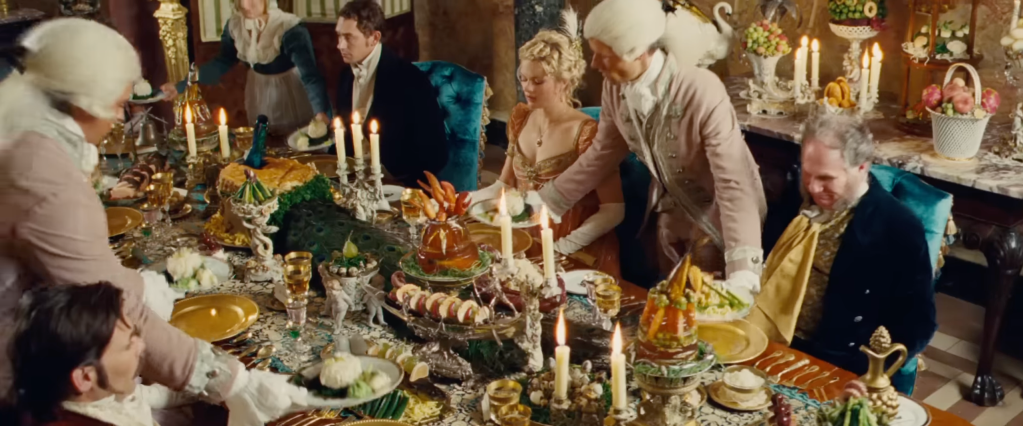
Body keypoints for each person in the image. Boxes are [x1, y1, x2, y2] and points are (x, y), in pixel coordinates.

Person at [0, 18, 308, 425]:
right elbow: (109, 306)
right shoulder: (39, 172)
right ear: (81, 104)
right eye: (115, 105)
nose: (118, 118)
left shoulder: (23, 123)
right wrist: (233, 382)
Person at [535, 0, 766, 294]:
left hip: (724, 215)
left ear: (637, 52)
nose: (594, 65)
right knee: (670, 304)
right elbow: (602, 154)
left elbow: (734, 184)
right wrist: (544, 201)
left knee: (713, 306)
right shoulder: (615, 87)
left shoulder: (701, 89)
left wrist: (744, 273)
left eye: (603, 56)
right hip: (671, 211)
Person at [749, 114, 936, 382]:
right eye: (808, 174)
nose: (813, 188)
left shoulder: (898, 227)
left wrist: (873, 375)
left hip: (838, 365)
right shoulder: (794, 197)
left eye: (826, 178)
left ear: (861, 167)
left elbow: (919, 323)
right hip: (767, 339)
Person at [474, 8, 624, 276]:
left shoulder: (586, 132)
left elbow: (614, 211)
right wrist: (466, 199)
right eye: (523, 79)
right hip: (524, 239)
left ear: (564, 82)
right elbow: (503, 186)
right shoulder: (521, 117)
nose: (527, 88)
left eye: (537, 81)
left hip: (579, 249)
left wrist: (562, 247)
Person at [10, 282, 194, 426]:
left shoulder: (89, 392)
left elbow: (142, 396)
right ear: (85, 378)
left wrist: (202, 387)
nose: (141, 346)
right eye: (129, 344)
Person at [161, 0, 330, 134]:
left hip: (289, 92)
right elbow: (223, 61)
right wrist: (181, 85)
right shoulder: (235, 25)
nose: (244, 5)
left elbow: (310, 76)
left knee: (293, 142)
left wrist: (321, 113)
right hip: (258, 91)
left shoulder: (288, 28)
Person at [331, 0, 448, 187]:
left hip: (401, 186)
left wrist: (400, 186)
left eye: (348, 37)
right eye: (339, 36)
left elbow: (436, 154)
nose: (340, 45)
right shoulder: (346, 76)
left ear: (374, 38)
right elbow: (345, 139)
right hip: (354, 184)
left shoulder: (410, 80)